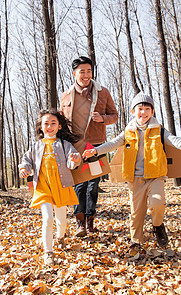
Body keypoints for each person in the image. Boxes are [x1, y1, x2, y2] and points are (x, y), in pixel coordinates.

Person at [83, 92, 181, 249]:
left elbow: (178, 142)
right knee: (136, 214)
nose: (143, 112)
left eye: (147, 109)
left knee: (157, 204)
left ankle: (158, 226)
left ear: (153, 112)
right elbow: (113, 144)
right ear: (133, 112)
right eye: (140, 109)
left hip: (155, 176)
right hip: (134, 178)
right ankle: (136, 242)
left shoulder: (159, 130)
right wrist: (95, 151)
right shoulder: (128, 131)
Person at [60, 56, 118, 237]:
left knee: (93, 184)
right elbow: (61, 121)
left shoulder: (103, 92)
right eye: (82, 71)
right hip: (75, 146)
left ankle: (90, 220)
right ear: (74, 74)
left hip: (96, 145)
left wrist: (103, 119)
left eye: (89, 71)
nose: (86, 75)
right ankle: (79, 224)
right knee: (78, 185)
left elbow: (115, 115)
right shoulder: (66, 95)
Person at [18, 109, 81, 265]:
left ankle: (60, 237)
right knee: (47, 218)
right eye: (46, 123)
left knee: (61, 220)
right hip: (43, 187)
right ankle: (49, 252)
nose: (50, 126)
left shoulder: (65, 144)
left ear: (59, 126)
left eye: (53, 123)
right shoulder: (36, 146)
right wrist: (23, 169)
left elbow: (72, 163)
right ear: (41, 127)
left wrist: (75, 159)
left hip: (61, 186)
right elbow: (27, 161)